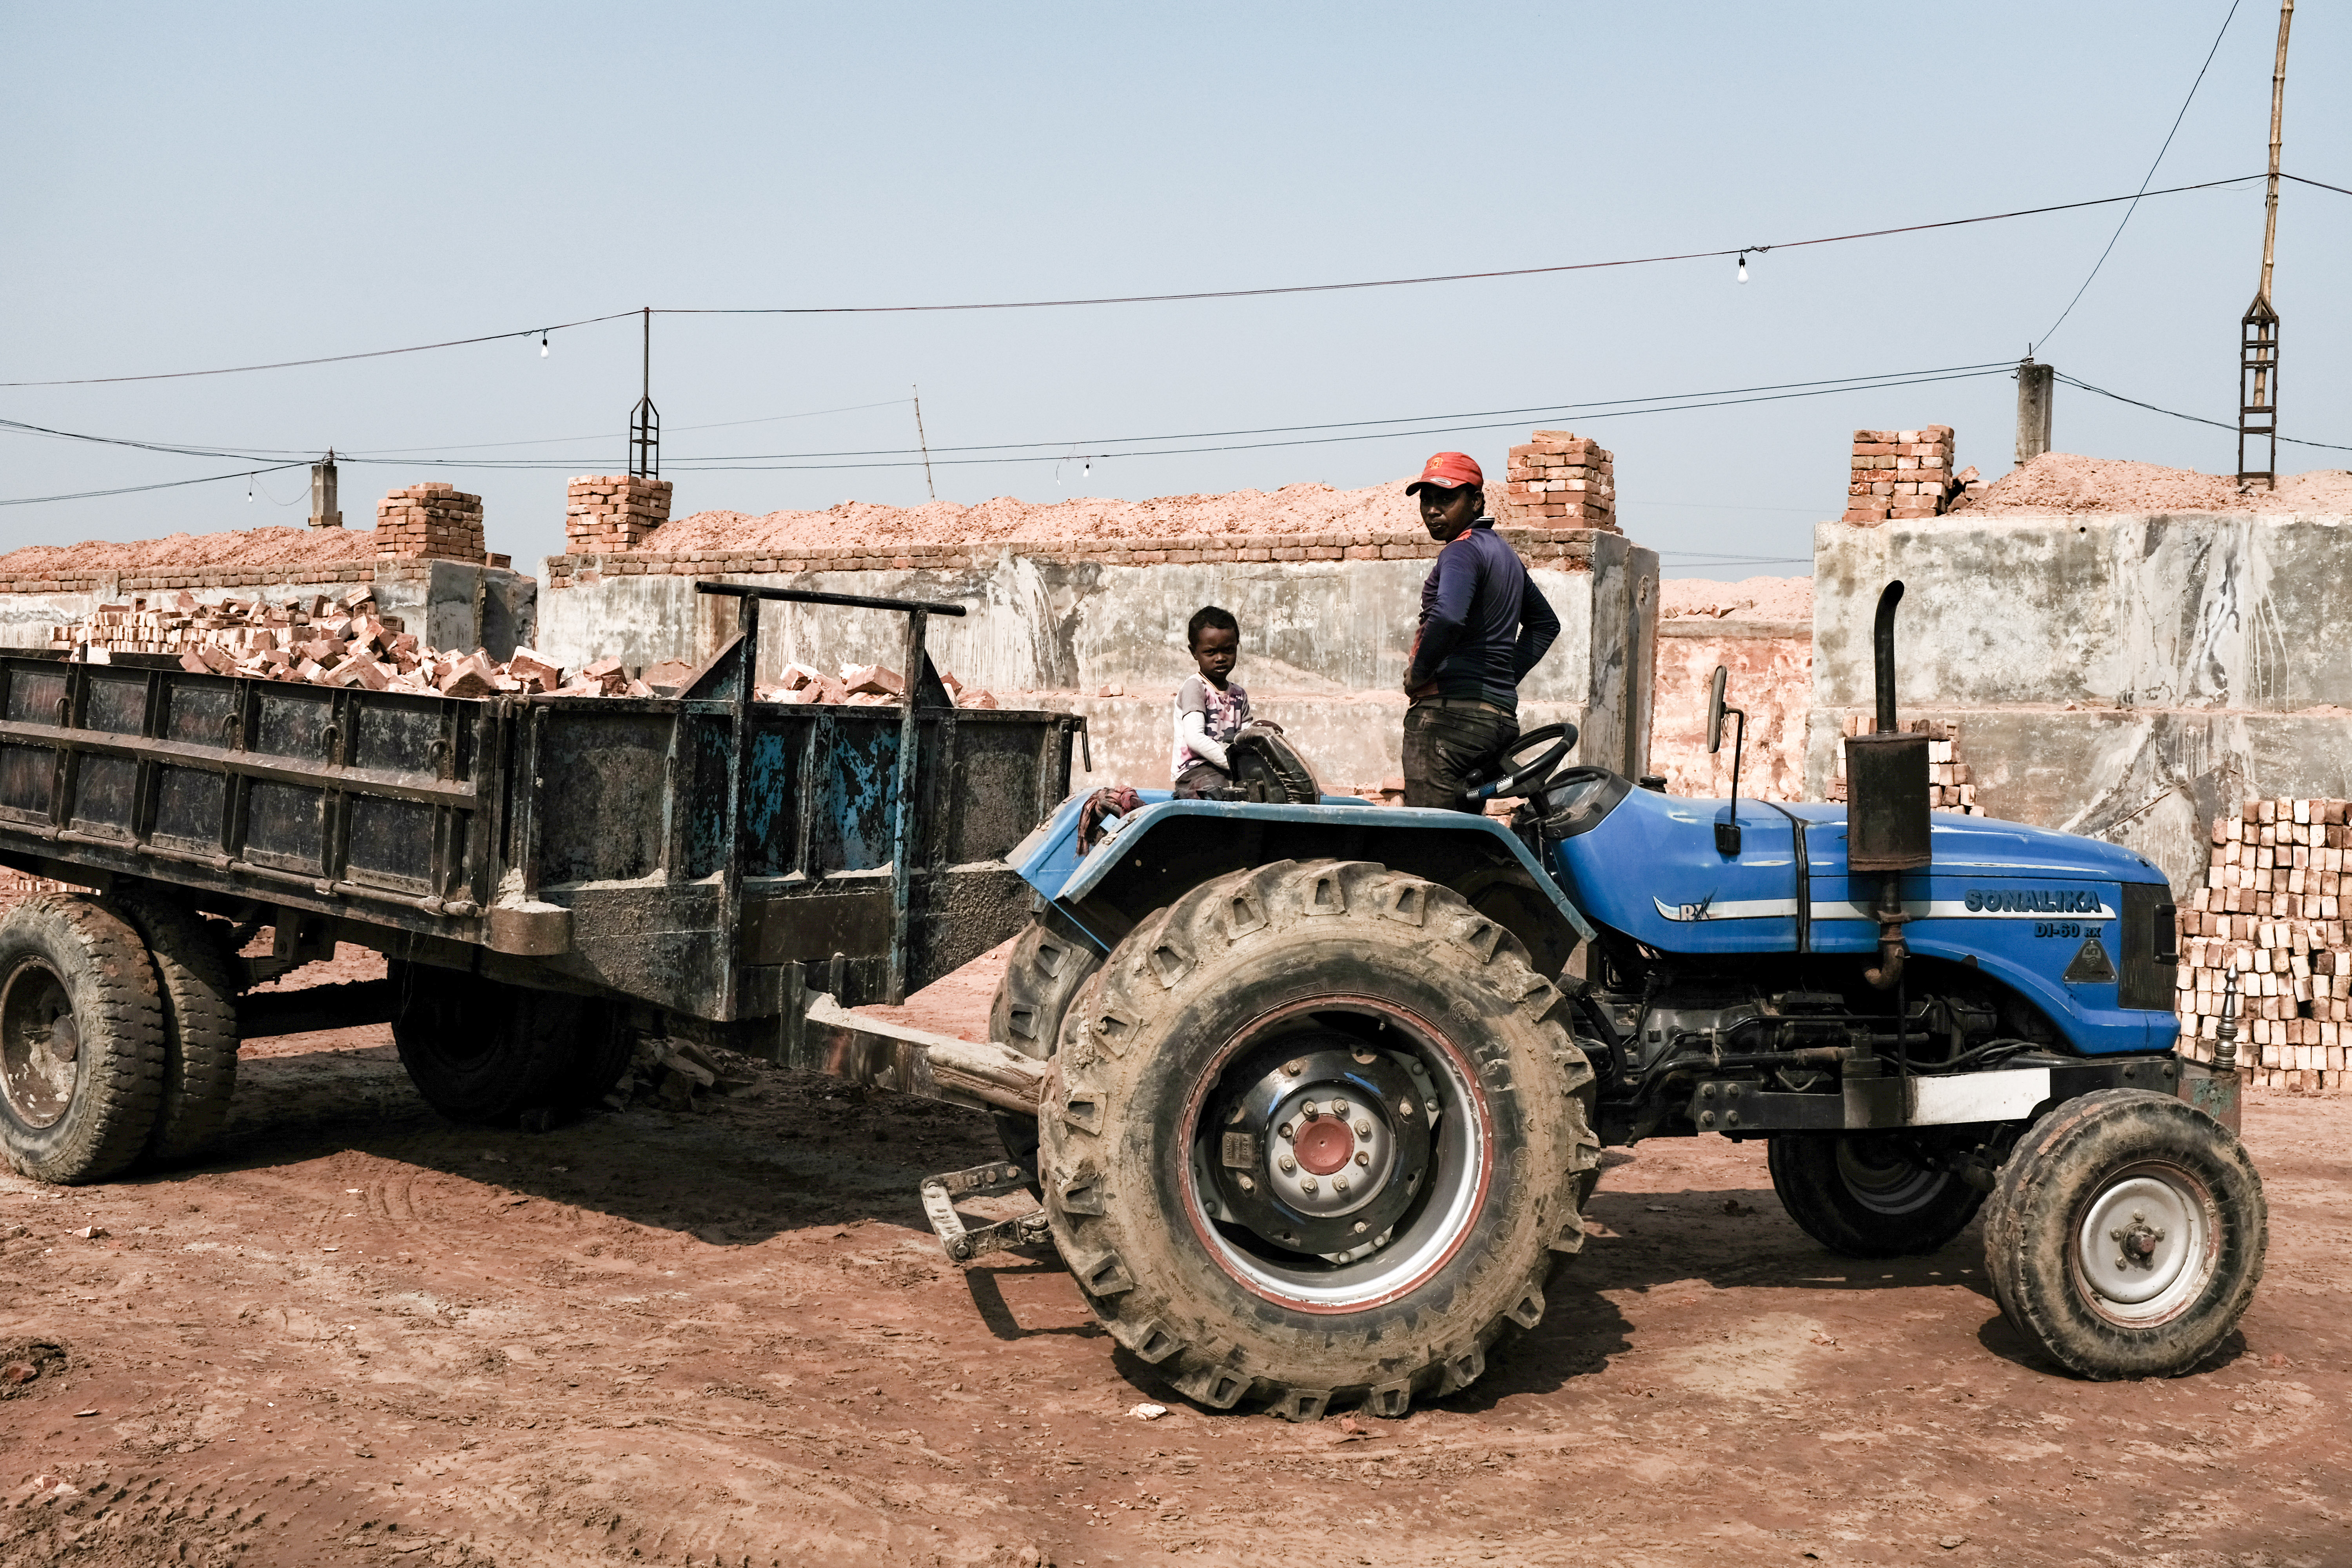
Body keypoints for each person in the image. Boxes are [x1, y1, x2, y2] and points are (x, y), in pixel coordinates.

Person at [1399, 452, 1560, 811]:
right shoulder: (1505, 556)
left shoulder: (1460, 552)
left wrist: (1419, 674)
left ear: (1476, 502)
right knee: (1466, 845)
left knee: (1430, 845)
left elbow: (1448, 617)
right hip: (1496, 723)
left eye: (1446, 498)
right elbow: (1547, 625)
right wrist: (1501, 680)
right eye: (1426, 499)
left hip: (1448, 721)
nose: (1432, 510)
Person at [1171, 604, 1265, 797]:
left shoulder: (1239, 694)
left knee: (1268, 789)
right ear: (1194, 653)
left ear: (1237, 646)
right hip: (1196, 771)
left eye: (1228, 650)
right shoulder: (1195, 688)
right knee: (1221, 791)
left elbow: (1244, 738)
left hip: (1230, 769)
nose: (1221, 658)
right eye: (1211, 652)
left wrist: (1261, 732)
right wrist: (1232, 762)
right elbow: (1195, 739)